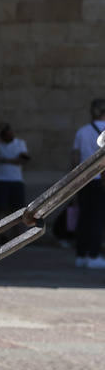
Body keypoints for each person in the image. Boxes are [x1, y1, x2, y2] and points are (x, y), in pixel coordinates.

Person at [71, 99, 105, 269]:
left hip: (84, 180)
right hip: (100, 180)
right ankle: (93, 254)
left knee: (84, 218)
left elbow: (75, 158)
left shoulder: (82, 131)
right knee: (97, 219)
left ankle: (81, 255)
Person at [0, 122, 29, 225]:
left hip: (16, 180)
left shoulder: (20, 143)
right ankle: (1, 235)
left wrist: (2, 160)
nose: (11, 136)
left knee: (18, 210)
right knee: (0, 209)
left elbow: (23, 160)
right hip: (0, 180)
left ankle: (18, 236)